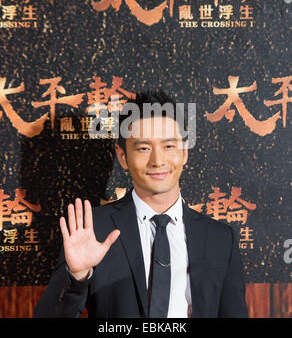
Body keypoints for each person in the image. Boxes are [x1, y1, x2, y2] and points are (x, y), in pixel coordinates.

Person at [34, 90, 249, 318]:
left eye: (168, 146)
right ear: (123, 156)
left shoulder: (220, 238)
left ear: (184, 151)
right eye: (144, 148)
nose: (158, 161)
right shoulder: (94, 230)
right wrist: (76, 275)